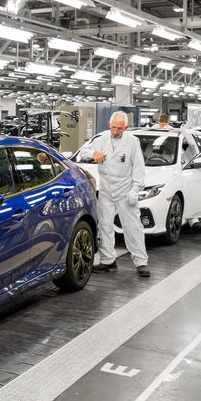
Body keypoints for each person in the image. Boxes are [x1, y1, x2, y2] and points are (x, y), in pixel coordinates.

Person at [91, 111, 149, 277]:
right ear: (109, 125)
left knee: (133, 227)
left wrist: (135, 190)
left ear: (126, 127)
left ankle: (141, 262)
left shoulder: (132, 142)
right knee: (105, 226)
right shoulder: (101, 139)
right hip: (106, 189)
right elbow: (86, 151)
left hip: (125, 189)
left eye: (120, 128)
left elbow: (139, 169)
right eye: (113, 127)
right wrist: (94, 153)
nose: (115, 131)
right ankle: (108, 261)